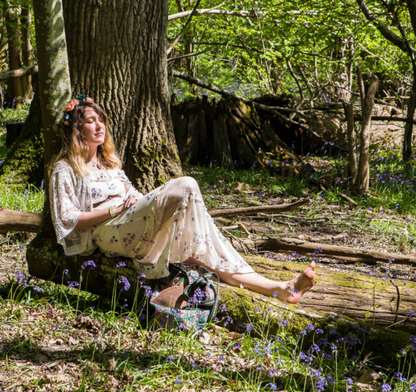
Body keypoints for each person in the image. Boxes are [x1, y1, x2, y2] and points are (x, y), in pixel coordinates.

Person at [49, 95, 315, 304]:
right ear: (75, 129)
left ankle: (280, 288)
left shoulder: (109, 165)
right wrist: (114, 209)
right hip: (105, 233)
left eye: (101, 120)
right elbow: (68, 220)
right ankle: (276, 286)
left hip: (130, 224)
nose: (99, 126)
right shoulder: (65, 169)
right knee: (185, 185)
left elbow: (135, 200)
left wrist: (144, 207)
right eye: (90, 121)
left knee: (202, 247)